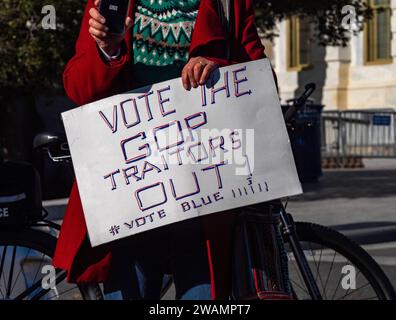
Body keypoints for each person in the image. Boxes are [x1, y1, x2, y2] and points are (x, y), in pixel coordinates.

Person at [53, 0, 268, 299]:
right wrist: (107, 49)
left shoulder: (229, 4)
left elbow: (260, 80)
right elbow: (80, 88)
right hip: (131, 192)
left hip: (203, 192)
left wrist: (216, 69)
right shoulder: (110, 4)